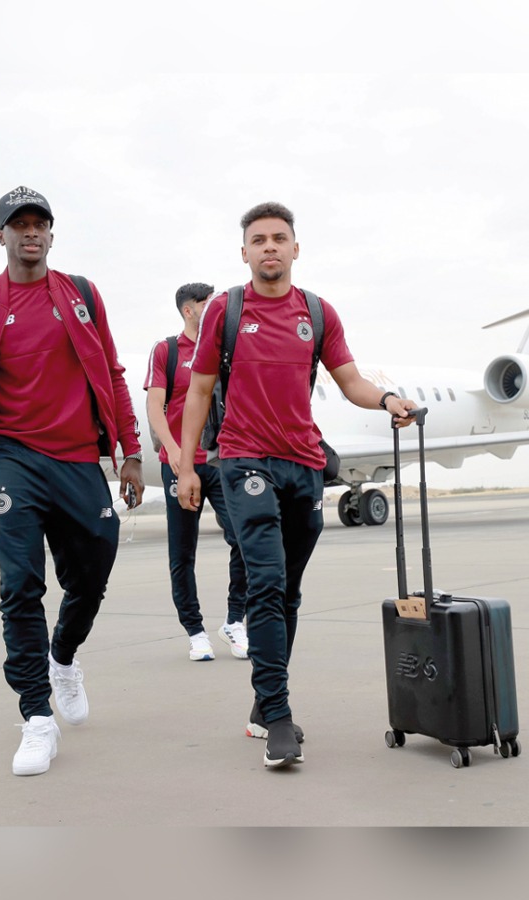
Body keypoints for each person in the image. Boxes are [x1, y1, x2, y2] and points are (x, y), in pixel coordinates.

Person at [176, 201, 416, 769]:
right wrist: (188, 466)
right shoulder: (225, 312)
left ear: (295, 248)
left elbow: (351, 380)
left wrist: (387, 400)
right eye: (258, 240)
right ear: (244, 253)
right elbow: (200, 392)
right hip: (242, 460)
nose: (269, 248)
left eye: (279, 238)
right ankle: (280, 717)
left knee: (287, 593)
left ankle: (264, 704)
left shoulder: (318, 312)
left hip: (303, 463)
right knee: (264, 583)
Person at [0, 186, 144, 776]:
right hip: (11, 460)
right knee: (21, 585)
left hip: (79, 458)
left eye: (40, 224)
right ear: (0, 236)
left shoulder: (81, 295)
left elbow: (112, 370)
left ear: (51, 234)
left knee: (93, 574)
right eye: (18, 224)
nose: (30, 232)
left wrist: (130, 449)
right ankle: (35, 717)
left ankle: (64, 658)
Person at [144, 283, 248, 662]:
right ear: (189, 311)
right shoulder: (167, 351)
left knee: (244, 541)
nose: (218, 307)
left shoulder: (226, 348)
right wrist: (175, 453)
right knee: (182, 552)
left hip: (222, 461)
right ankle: (196, 631)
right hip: (181, 465)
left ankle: (235, 621)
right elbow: (156, 407)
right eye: (208, 303)